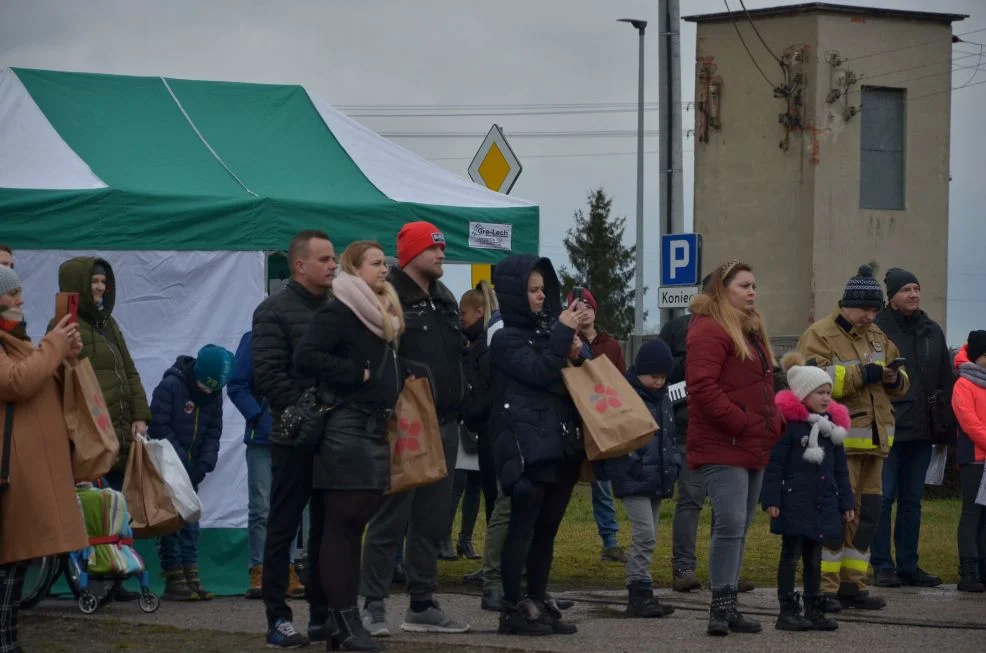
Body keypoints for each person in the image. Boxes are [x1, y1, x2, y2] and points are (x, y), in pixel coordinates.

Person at [294, 241, 405, 652]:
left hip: (374, 428)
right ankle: (341, 619)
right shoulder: (340, 310)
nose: (384, 270)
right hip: (346, 428)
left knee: (354, 524)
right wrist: (354, 374)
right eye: (376, 263)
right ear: (354, 268)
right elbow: (305, 357)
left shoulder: (381, 314)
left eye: (385, 263)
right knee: (342, 526)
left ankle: (339, 620)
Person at [360, 222, 469, 637]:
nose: (442, 254)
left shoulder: (444, 299)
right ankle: (373, 605)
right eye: (433, 249)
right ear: (410, 254)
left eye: (442, 248)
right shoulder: (389, 299)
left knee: (433, 521)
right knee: (391, 517)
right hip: (406, 423)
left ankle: (422, 604)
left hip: (445, 423)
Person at [798, 264, 909, 612]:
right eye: (866, 309)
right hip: (836, 444)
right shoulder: (820, 334)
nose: (871, 316)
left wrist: (894, 379)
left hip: (875, 445)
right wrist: (865, 374)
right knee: (833, 515)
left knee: (868, 516)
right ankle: (824, 589)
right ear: (848, 303)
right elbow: (812, 381)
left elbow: (901, 381)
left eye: (875, 310)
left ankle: (854, 585)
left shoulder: (878, 336)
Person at [491, 254, 587, 637]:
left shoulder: (548, 334)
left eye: (542, 289)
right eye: (532, 290)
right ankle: (513, 607)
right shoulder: (505, 339)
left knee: (547, 528)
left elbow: (568, 375)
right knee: (523, 527)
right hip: (526, 447)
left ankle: (538, 595)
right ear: (514, 294)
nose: (540, 296)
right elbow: (540, 371)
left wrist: (579, 350)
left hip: (560, 443)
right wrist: (563, 339)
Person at [686, 260, 781, 637]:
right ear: (723, 290)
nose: (752, 291)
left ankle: (730, 605)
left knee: (739, 528)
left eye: (754, 285)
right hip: (723, 443)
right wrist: (740, 422)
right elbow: (702, 387)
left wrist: (774, 423)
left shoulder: (750, 331)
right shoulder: (709, 329)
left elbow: (763, 387)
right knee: (729, 524)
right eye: (744, 285)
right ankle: (720, 607)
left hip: (752, 442)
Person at [254, 230, 336, 648]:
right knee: (283, 527)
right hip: (293, 439)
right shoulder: (273, 311)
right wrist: (310, 411)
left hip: (334, 440)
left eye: (334, 258)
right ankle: (278, 618)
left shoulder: (339, 309)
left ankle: (322, 614)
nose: (333, 265)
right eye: (324, 259)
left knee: (327, 529)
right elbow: (268, 375)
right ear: (300, 265)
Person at [0, 266, 88, 653]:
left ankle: (9, 638)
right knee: (9, 558)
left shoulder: (13, 337)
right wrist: (53, 346)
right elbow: (16, 382)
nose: (20, 298)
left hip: (19, 466)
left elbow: (34, 376)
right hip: (9, 468)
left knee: (16, 558)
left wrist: (64, 355)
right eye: (12, 293)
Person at [871, 268, 953, 588]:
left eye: (917, 288)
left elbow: (945, 377)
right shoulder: (879, 330)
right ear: (891, 296)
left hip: (922, 430)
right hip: (889, 427)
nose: (914, 294)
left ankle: (908, 564)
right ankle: (881, 565)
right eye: (906, 289)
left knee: (912, 501)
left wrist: (943, 422)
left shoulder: (932, 330)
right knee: (884, 497)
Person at [763, 353, 854, 632]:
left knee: (815, 557)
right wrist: (771, 499)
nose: (826, 398)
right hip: (793, 501)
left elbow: (841, 470)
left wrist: (846, 501)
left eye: (828, 393)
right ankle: (787, 610)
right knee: (791, 555)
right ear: (803, 395)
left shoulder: (831, 432)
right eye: (819, 393)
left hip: (821, 503)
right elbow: (774, 465)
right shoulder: (790, 429)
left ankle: (814, 607)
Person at [594, 339, 679, 619]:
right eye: (653, 376)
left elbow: (669, 437)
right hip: (635, 477)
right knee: (645, 535)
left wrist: (673, 463)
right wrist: (632, 464)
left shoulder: (664, 398)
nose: (658, 382)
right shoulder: (627, 397)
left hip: (656, 477)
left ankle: (643, 587)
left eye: (663, 377)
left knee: (650, 536)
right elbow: (618, 436)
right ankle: (637, 589)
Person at [52, 257, 151, 489]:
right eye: (94, 281)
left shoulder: (109, 324)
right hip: (92, 440)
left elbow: (129, 370)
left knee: (121, 515)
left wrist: (139, 416)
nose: (101, 287)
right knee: (98, 518)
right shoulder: (63, 326)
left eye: (103, 281)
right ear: (78, 285)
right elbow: (59, 381)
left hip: (122, 438)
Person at [149, 344, 234, 602]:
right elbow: (159, 426)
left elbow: (214, 431)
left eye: (213, 389)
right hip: (168, 468)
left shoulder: (215, 394)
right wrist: (181, 463)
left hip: (192, 471)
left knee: (191, 522)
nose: (208, 392)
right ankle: (173, 576)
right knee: (171, 523)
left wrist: (204, 464)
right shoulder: (170, 387)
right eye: (205, 387)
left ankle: (191, 572)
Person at [228, 330, 303, 601]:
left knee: (292, 505)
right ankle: (258, 569)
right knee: (261, 506)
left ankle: (288, 568)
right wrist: (258, 418)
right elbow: (236, 384)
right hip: (262, 440)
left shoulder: (305, 333)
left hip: (296, 437)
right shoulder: (255, 338)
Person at [564, 287, 626, 563]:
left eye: (587, 305)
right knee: (559, 483)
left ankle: (610, 540)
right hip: (570, 419)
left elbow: (621, 382)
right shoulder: (563, 341)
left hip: (600, 419)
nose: (584, 311)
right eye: (577, 307)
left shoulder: (610, 345)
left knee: (601, 483)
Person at [445, 285, 499, 565]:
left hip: (485, 427)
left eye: (463, 312)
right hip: (479, 426)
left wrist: (467, 409)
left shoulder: (484, 346)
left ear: (479, 311)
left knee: (485, 493)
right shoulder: (474, 343)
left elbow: (483, 390)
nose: (459, 317)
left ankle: (491, 561)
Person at [953, 331, 986, 592]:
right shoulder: (964, 384)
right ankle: (969, 571)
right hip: (974, 458)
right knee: (972, 513)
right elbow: (969, 421)